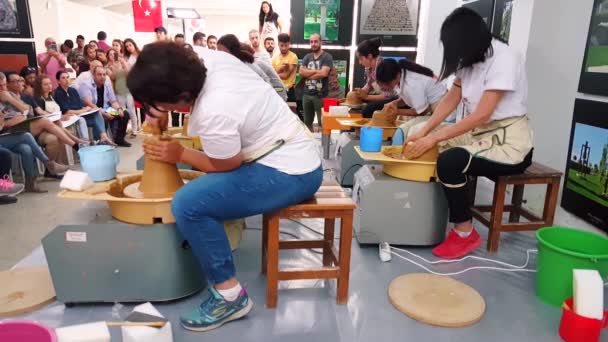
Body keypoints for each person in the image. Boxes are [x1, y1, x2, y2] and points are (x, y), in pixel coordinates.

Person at [128, 42, 321, 333]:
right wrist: (158, 113)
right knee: (201, 188)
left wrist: (179, 154)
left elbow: (227, 163)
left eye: (158, 104)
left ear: (181, 97)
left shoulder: (215, 109)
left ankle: (230, 296)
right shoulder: (201, 58)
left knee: (188, 204)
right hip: (283, 147)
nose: (153, 111)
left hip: (292, 170)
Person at [403, 7, 533, 259]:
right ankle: (426, 214)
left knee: (450, 161)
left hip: (510, 143)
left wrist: (434, 137)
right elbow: (452, 98)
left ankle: (464, 231)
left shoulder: (505, 58)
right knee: (424, 139)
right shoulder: (470, 60)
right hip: (480, 133)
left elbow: (482, 115)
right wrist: (425, 130)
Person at [2, 72, 85, 149]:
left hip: (33, 123)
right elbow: (28, 111)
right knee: (48, 124)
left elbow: (36, 111)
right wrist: (10, 99)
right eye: (15, 81)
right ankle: (76, 145)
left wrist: (58, 116)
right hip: (21, 128)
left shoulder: (27, 97)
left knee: (56, 122)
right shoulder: (6, 97)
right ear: (8, 84)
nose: (20, 83)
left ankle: (76, 142)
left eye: (20, 80)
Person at [0, 117, 69, 192]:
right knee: (26, 136)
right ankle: (49, 164)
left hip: (6, 136)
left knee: (26, 149)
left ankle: (30, 184)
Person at [376, 58, 447, 128]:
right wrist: (394, 103)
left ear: (397, 75)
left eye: (387, 84)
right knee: (401, 120)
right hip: (429, 107)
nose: (385, 87)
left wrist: (397, 111)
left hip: (443, 109)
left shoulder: (412, 83)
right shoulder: (400, 75)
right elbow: (407, 98)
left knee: (408, 127)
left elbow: (422, 111)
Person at [217, 34, 286, 100]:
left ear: (232, 50)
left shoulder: (247, 64)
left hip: (277, 91)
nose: (219, 55)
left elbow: (265, 81)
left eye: (222, 52)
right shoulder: (235, 63)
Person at [55, 70, 114, 146]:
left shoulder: (73, 90)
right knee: (98, 118)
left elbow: (113, 100)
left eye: (68, 77)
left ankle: (105, 138)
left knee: (100, 114)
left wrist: (118, 109)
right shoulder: (59, 93)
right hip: (75, 118)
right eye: (63, 78)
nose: (66, 79)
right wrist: (85, 110)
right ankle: (94, 142)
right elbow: (69, 111)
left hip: (104, 109)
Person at [78, 66, 131, 147]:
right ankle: (101, 142)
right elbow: (90, 104)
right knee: (103, 119)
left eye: (104, 74)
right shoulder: (85, 85)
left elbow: (113, 100)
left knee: (125, 113)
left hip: (106, 108)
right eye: (99, 75)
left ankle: (119, 139)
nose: (102, 77)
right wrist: (104, 113)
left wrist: (118, 108)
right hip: (93, 112)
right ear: (93, 75)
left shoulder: (107, 84)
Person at [35, 74, 90, 143]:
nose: (49, 86)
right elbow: (43, 116)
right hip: (50, 124)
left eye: (50, 83)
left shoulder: (52, 97)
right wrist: (61, 117)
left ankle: (82, 142)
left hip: (60, 120)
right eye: (45, 84)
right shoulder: (39, 99)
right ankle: (79, 141)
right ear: (39, 86)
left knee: (79, 120)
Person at [352, 38, 396, 118]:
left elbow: (389, 95)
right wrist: (360, 92)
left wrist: (367, 97)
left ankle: (369, 129)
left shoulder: (382, 67)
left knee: (368, 108)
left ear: (369, 56)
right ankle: (355, 127)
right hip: (384, 95)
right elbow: (369, 84)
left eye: (361, 59)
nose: (360, 62)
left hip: (395, 98)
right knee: (355, 101)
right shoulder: (369, 68)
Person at [299, 33, 333, 131]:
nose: (313, 44)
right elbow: (301, 72)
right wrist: (316, 71)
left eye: (315, 41)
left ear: (320, 42)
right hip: (306, 95)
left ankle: (323, 144)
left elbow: (324, 74)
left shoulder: (327, 57)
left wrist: (307, 74)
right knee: (307, 122)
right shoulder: (307, 57)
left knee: (322, 123)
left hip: (321, 95)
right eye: (311, 42)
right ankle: (311, 143)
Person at [107, 49, 138, 136]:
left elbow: (129, 72)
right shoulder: (108, 67)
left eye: (114, 54)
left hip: (127, 90)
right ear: (108, 57)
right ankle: (123, 130)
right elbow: (113, 77)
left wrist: (123, 62)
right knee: (123, 112)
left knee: (132, 111)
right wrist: (116, 67)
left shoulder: (123, 63)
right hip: (118, 92)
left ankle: (135, 130)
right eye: (110, 55)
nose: (113, 56)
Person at [272, 33, 298, 104]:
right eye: (282, 45)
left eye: (286, 45)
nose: (284, 48)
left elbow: (286, 76)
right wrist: (281, 69)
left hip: (289, 91)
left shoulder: (293, 57)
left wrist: (276, 73)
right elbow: (272, 76)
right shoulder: (274, 58)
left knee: (291, 112)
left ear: (289, 44)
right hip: (277, 90)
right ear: (278, 44)